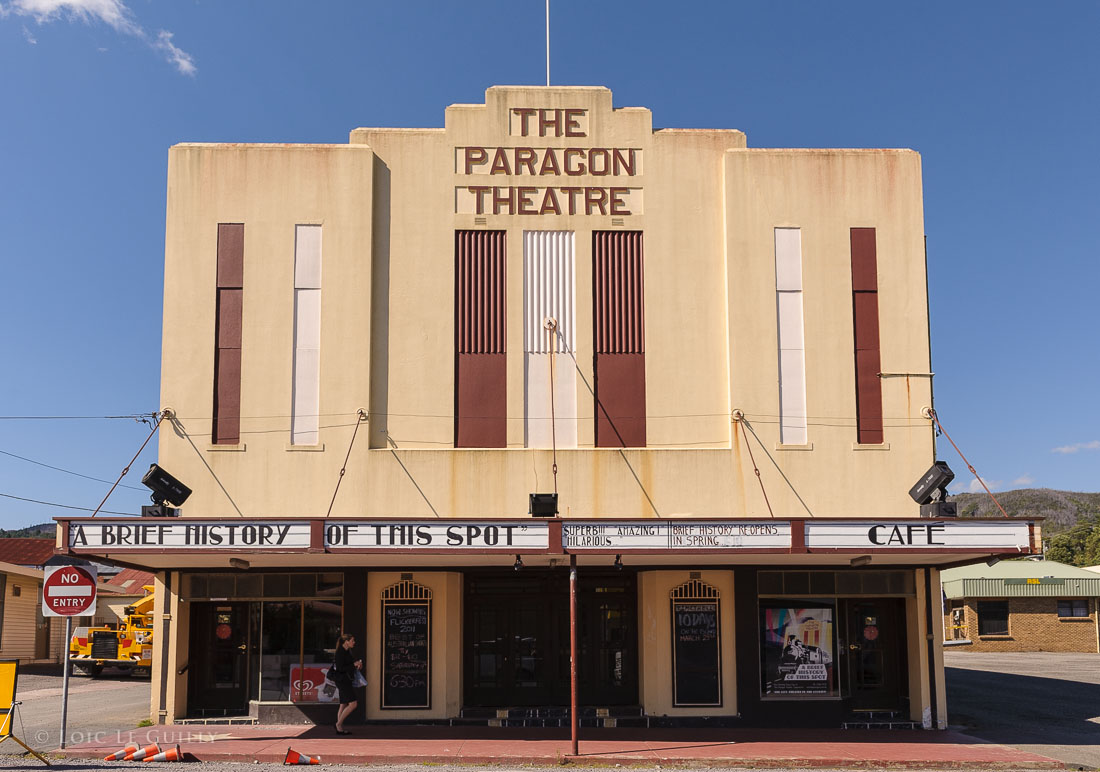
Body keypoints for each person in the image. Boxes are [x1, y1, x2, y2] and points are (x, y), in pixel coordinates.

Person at [331, 632, 362, 734]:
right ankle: (338, 724)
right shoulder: (340, 652)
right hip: (342, 680)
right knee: (353, 704)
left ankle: (339, 728)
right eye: (352, 640)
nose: (354, 642)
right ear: (346, 642)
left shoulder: (347, 651)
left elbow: (348, 665)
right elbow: (340, 668)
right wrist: (354, 664)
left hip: (346, 680)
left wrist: (356, 665)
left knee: (343, 704)